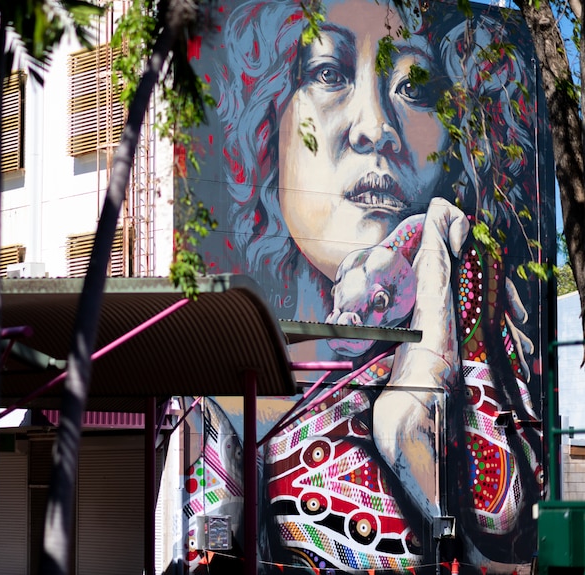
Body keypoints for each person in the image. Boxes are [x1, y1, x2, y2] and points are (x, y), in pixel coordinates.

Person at [184, 0, 548, 571]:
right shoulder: (236, 394)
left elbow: (504, 527)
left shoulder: (478, 313)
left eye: (415, 87)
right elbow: (215, 550)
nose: (375, 129)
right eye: (328, 74)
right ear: (264, 125)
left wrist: (431, 356)